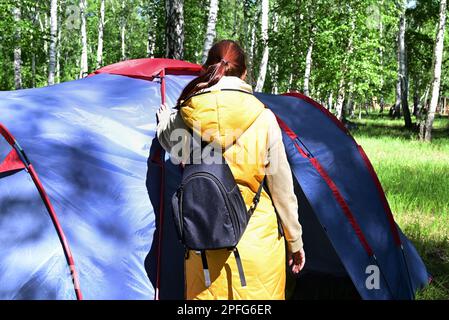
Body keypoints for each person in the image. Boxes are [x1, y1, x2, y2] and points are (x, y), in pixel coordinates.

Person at [156, 40, 305, 300]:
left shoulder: (187, 115)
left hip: (204, 249)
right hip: (257, 249)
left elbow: (172, 144)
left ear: (208, 68)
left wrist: (164, 122)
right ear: (245, 73)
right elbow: (283, 191)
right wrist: (295, 241)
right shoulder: (264, 118)